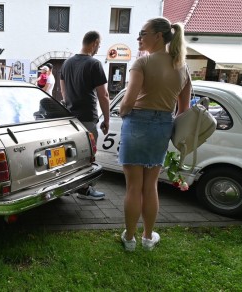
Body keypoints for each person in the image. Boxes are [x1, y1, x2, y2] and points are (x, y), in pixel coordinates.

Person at [118, 17, 190, 251]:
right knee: (151, 186)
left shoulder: (142, 63)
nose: (139, 37)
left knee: (133, 187)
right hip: (163, 126)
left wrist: (121, 111)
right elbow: (184, 110)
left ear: (158, 36)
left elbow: (128, 102)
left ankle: (130, 239)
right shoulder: (182, 66)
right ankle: (148, 238)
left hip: (137, 123)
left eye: (143, 32)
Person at [60, 31, 110, 200]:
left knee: (71, 154)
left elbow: (64, 91)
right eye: (99, 45)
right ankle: (85, 190)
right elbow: (104, 95)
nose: (98, 49)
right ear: (95, 42)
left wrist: (69, 108)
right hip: (88, 117)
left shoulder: (67, 63)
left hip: (71, 118)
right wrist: (107, 120)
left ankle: (68, 187)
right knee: (88, 155)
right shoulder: (94, 64)